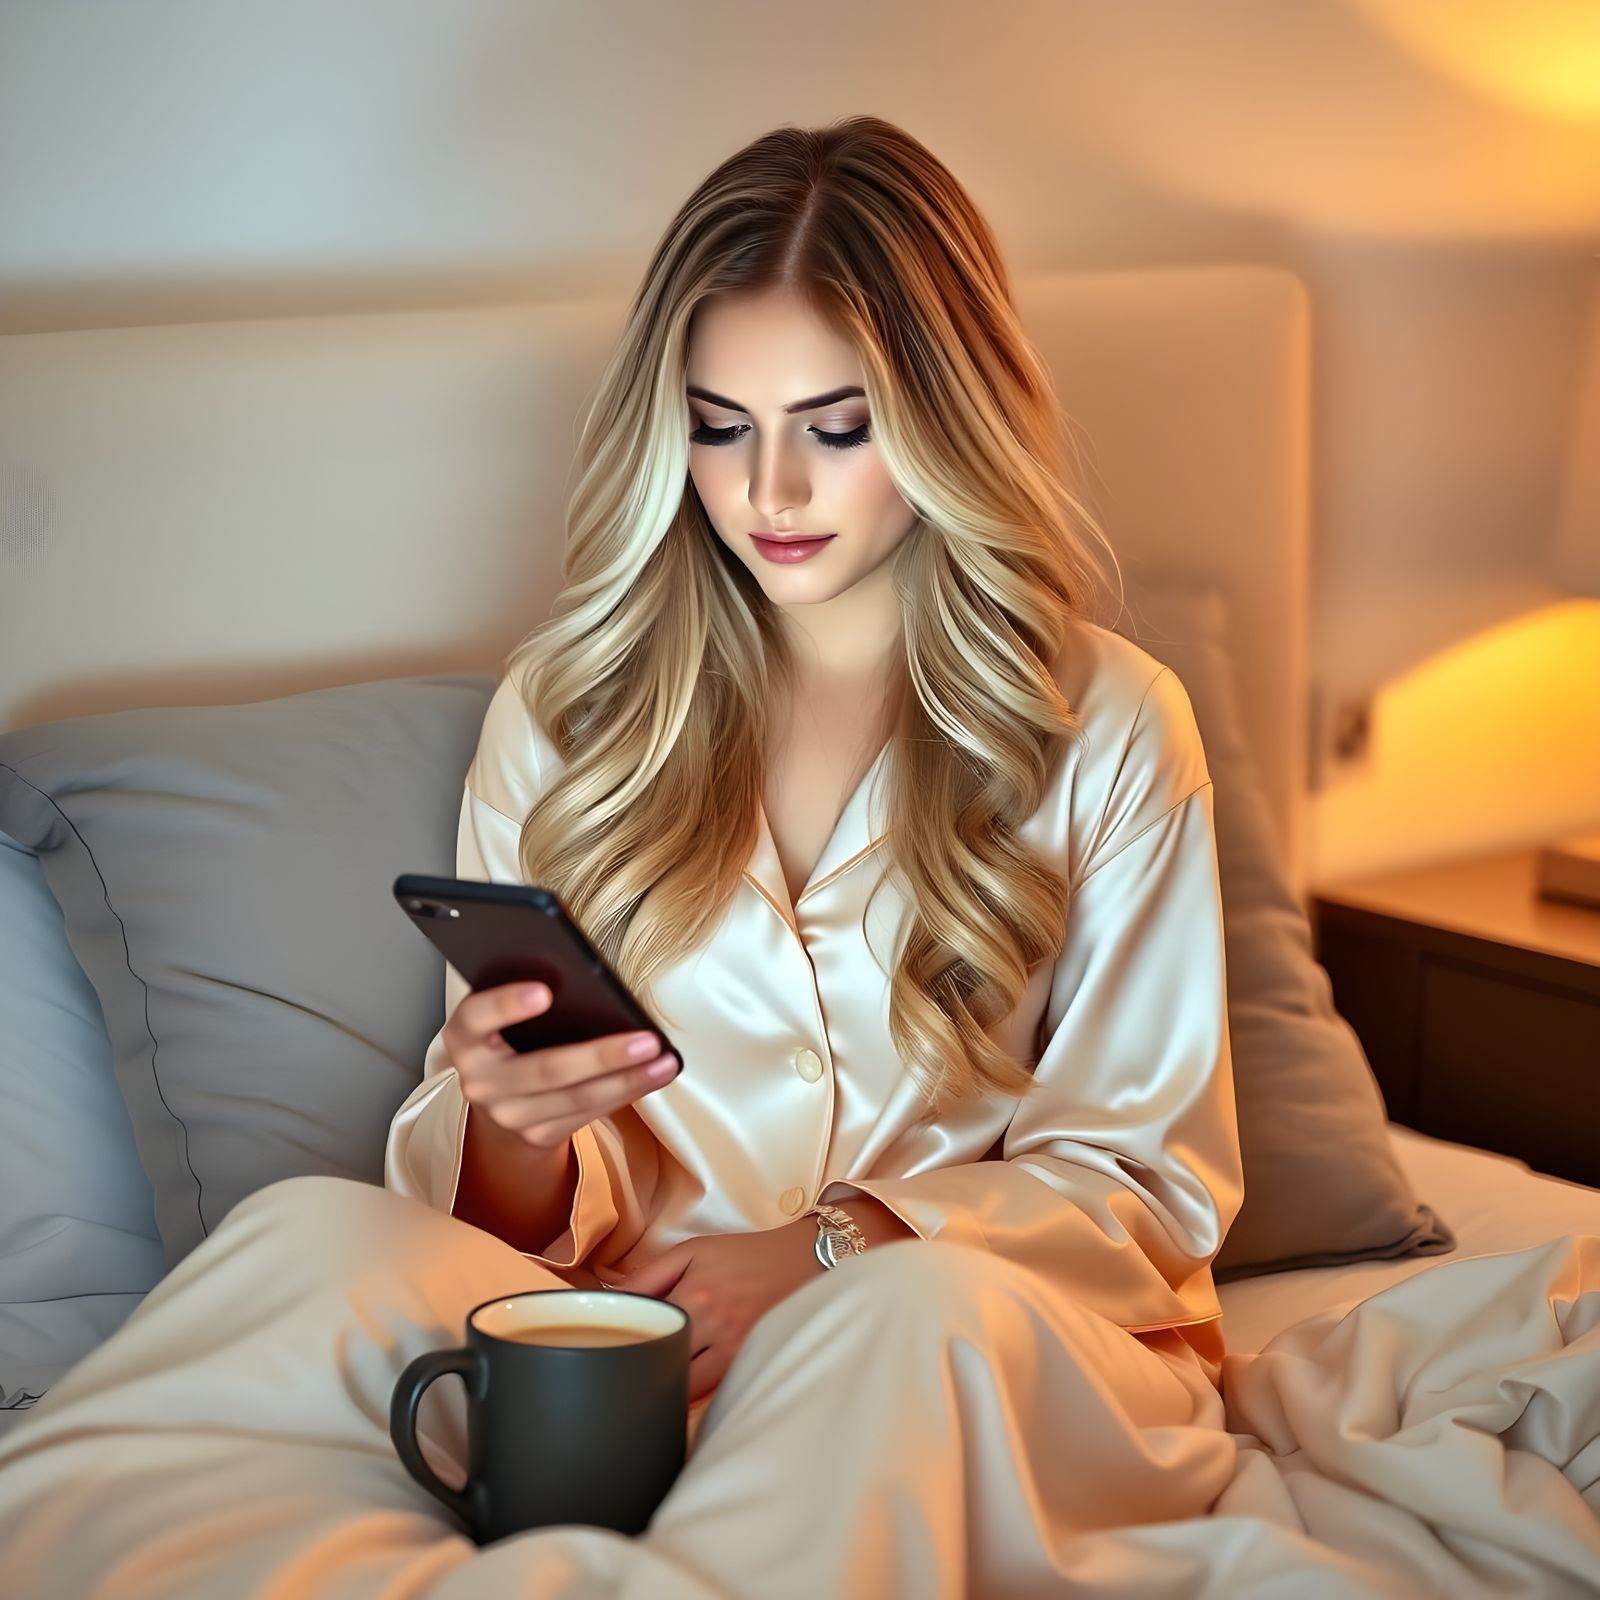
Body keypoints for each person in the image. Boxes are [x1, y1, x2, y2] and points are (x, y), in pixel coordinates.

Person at [0, 115, 1243, 1597]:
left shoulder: (1107, 722)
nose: (768, 489)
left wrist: (829, 1250)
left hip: (996, 1339)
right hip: (632, 1341)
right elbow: (515, 1217)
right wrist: (516, 1129)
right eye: (720, 425)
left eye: (834, 427)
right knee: (305, 1241)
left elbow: (1145, 1183)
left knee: (901, 1325)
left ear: (945, 413)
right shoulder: (574, 709)